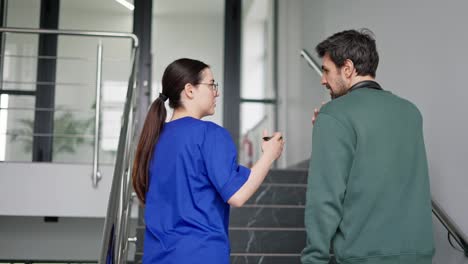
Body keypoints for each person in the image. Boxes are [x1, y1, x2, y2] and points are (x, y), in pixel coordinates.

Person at [132, 58, 284, 264]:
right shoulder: (209, 134)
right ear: (190, 90)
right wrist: (268, 156)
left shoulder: (154, 138)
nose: (217, 92)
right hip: (201, 254)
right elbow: (237, 195)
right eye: (212, 84)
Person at [301, 29, 434, 264]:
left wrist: (314, 257)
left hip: (363, 257)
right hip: (418, 255)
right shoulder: (411, 112)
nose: (323, 80)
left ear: (348, 68)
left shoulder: (334, 114)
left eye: (326, 71)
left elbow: (324, 197)